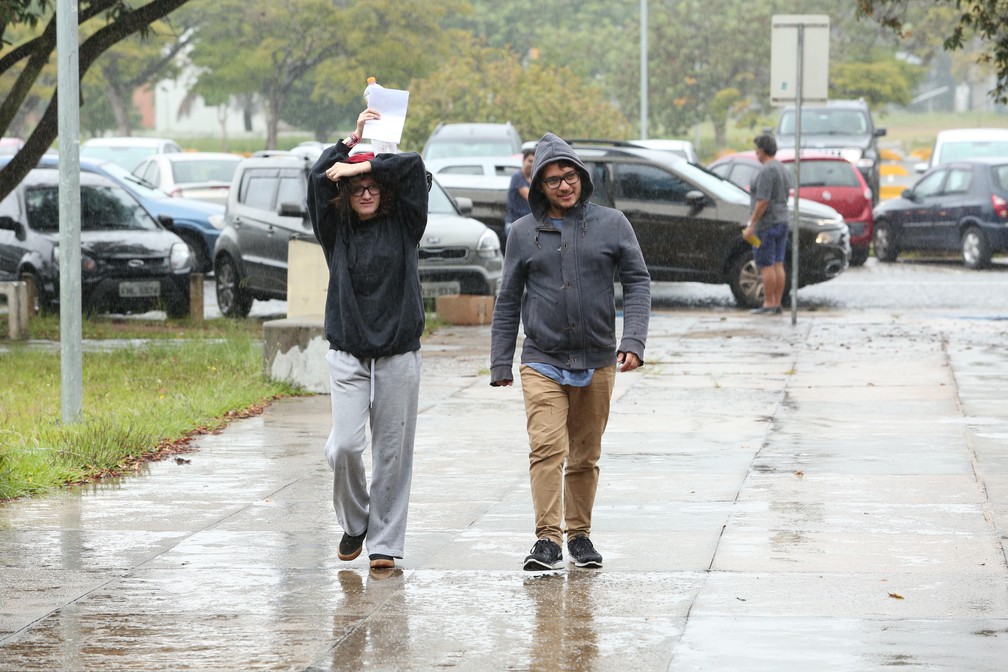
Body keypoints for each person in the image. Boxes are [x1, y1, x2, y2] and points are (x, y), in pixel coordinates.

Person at [490, 132, 651, 571]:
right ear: (539, 186)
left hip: (597, 357)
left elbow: (637, 281)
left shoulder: (613, 224)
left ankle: (579, 535)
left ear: (582, 176)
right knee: (547, 447)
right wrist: (500, 361)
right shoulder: (522, 233)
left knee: (585, 453)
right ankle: (547, 539)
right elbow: (508, 299)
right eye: (553, 179)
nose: (564, 185)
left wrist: (633, 340)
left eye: (570, 176)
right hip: (541, 359)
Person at [306, 107, 429, 572]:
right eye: (357, 187)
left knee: (393, 454)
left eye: (373, 186)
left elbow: (413, 167)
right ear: (346, 194)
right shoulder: (334, 230)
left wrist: (366, 162)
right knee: (344, 447)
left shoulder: (406, 226)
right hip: (348, 353)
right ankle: (356, 522)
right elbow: (318, 176)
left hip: (399, 352)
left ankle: (385, 544)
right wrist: (348, 143)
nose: (366, 193)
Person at [742, 133, 792, 315]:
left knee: (766, 264)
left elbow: (762, 201)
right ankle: (777, 302)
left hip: (767, 224)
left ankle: (769, 303)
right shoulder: (782, 168)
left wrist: (751, 225)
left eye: (757, 149)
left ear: (762, 150)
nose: (756, 153)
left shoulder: (766, 171)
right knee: (778, 263)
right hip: (782, 220)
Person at [504, 146, 535, 239]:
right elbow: (531, 197)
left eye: (535, 162)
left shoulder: (534, 179)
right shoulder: (517, 176)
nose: (532, 164)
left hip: (529, 225)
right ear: (523, 160)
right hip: (514, 224)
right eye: (530, 161)